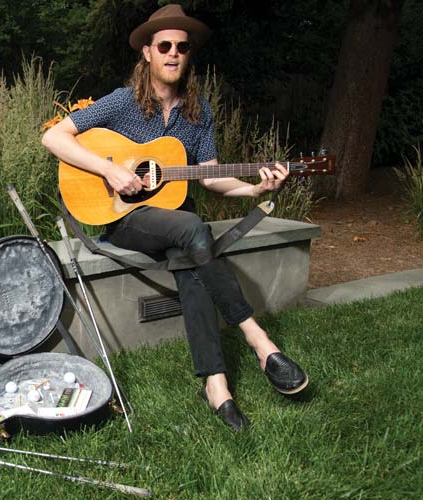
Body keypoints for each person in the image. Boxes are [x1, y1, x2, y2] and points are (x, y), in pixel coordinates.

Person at [41, 4, 308, 431]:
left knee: (191, 256)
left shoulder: (197, 112)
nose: (173, 53)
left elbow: (211, 176)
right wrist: (110, 169)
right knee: (193, 230)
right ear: (147, 52)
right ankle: (260, 342)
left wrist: (256, 187)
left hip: (179, 223)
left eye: (181, 47)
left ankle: (216, 385)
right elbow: (54, 136)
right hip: (125, 217)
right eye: (164, 45)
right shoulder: (124, 102)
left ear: (188, 56)